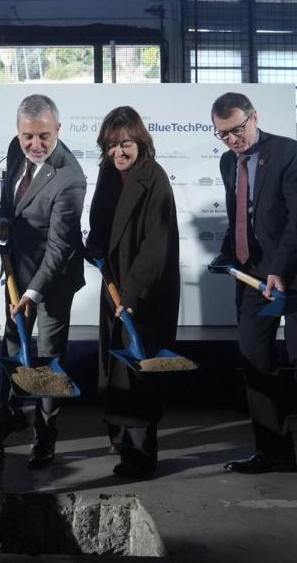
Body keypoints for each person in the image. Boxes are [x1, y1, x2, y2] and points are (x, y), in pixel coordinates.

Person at [209, 92, 297, 474]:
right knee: (255, 359)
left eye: (237, 130)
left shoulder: (289, 154)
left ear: (254, 118)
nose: (232, 140)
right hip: (253, 273)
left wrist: (280, 269)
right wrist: (226, 253)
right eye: (222, 134)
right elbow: (241, 216)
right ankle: (274, 452)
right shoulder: (227, 162)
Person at [0, 94, 86, 469]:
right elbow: (9, 199)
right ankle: (8, 417)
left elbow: (60, 247)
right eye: (28, 136)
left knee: (47, 358)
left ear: (58, 130)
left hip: (54, 280)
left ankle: (45, 437)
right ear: (18, 132)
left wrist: (33, 293)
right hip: (18, 268)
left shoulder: (70, 178)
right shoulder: (17, 150)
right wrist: (3, 220)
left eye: (44, 136)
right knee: (12, 344)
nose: (36, 145)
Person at [85, 106, 180, 478]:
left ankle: (141, 456)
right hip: (115, 286)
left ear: (139, 141)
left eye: (125, 144)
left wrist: (131, 295)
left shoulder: (154, 179)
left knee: (138, 371)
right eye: (111, 146)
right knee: (116, 365)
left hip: (145, 293)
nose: (118, 152)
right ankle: (121, 438)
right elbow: (100, 223)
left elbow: (156, 248)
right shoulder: (109, 174)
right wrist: (92, 247)